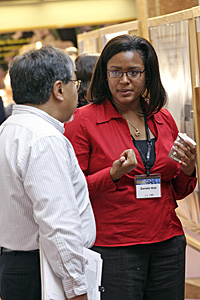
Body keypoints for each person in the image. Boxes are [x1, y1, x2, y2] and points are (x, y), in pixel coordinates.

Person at [64, 34, 197, 300]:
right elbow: (71, 192)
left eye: (134, 72)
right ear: (105, 75)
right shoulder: (83, 121)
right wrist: (112, 174)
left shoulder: (162, 117)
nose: (124, 80)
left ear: (148, 75)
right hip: (114, 246)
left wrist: (189, 168)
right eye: (116, 72)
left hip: (166, 241)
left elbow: (177, 191)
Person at [0, 45, 96, 300]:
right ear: (59, 89)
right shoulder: (43, 139)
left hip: (18, 265)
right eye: (74, 81)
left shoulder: (10, 128)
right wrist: (77, 287)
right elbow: (57, 223)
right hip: (41, 271)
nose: (78, 89)